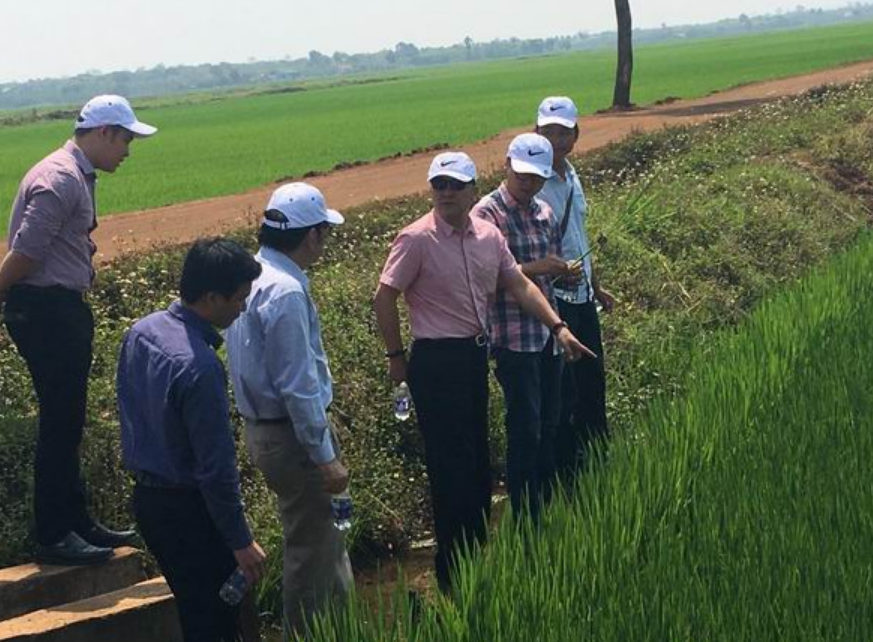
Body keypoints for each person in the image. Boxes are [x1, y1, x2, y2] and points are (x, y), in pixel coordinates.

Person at [374, 151, 592, 590]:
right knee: (449, 467)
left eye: (456, 186)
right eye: (440, 185)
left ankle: (474, 559)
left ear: (473, 190)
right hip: (436, 361)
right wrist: (396, 357)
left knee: (476, 466)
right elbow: (384, 297)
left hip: (474, 356)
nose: (447, 193)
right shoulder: (416, 238)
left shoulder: (488, 236)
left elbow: (520, 284)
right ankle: (451, 574)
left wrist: (559, 328)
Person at [0, 95, 156, 565]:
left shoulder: (75, 174)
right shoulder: (61, 179)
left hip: (56, 307)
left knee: (68, 419)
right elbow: (26, 253)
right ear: (104, 132)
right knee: (60, 421)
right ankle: (54, 534)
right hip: (46, 310)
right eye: (125, 139)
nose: (127, 150)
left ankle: (76, 521)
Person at [117, 238, 266, 642]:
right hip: (190, 512)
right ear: (212, 297)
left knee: (193, 610)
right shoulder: (200, 369)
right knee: (215, 622)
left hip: (149, 502)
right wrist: (240, 541)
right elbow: (216, 470)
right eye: (239, 298)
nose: (242, 308)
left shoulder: (142, 332)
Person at [226, 183, 353, 636]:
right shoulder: (286, 292)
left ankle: (338, 628)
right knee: (314, 549)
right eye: (324, 233)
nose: (325, 242)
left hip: (264, 430)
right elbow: (298, 387)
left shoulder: (254, 275)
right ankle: (309, 633)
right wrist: (325, 457)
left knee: (321, 541)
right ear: (311, 235)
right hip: (291, 436)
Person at [470, 133, 593, 523]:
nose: (528, 183)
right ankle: (526, 516)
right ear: (506, 165)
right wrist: (539, 268)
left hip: (547, 336)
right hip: (512, 337)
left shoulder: (544, 213)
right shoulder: (486, 215)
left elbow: (544, 282)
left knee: (551, 423)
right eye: (522, 175)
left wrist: (562, 276)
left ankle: (546, 507)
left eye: (536, 177)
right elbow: (481, 278)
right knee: (526, 428)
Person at [535, 96, 616, 478]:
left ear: (576, 135)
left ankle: (598, 460)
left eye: (563, 132)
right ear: (536, 133)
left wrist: (597, 287)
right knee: (565, 391)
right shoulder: (534, 184)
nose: (556, 140)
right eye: (548, 132)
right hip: (555, 300)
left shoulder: (572, 175)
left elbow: (579, 237)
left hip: (583, 296)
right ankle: (569, 469)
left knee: (592, 381)